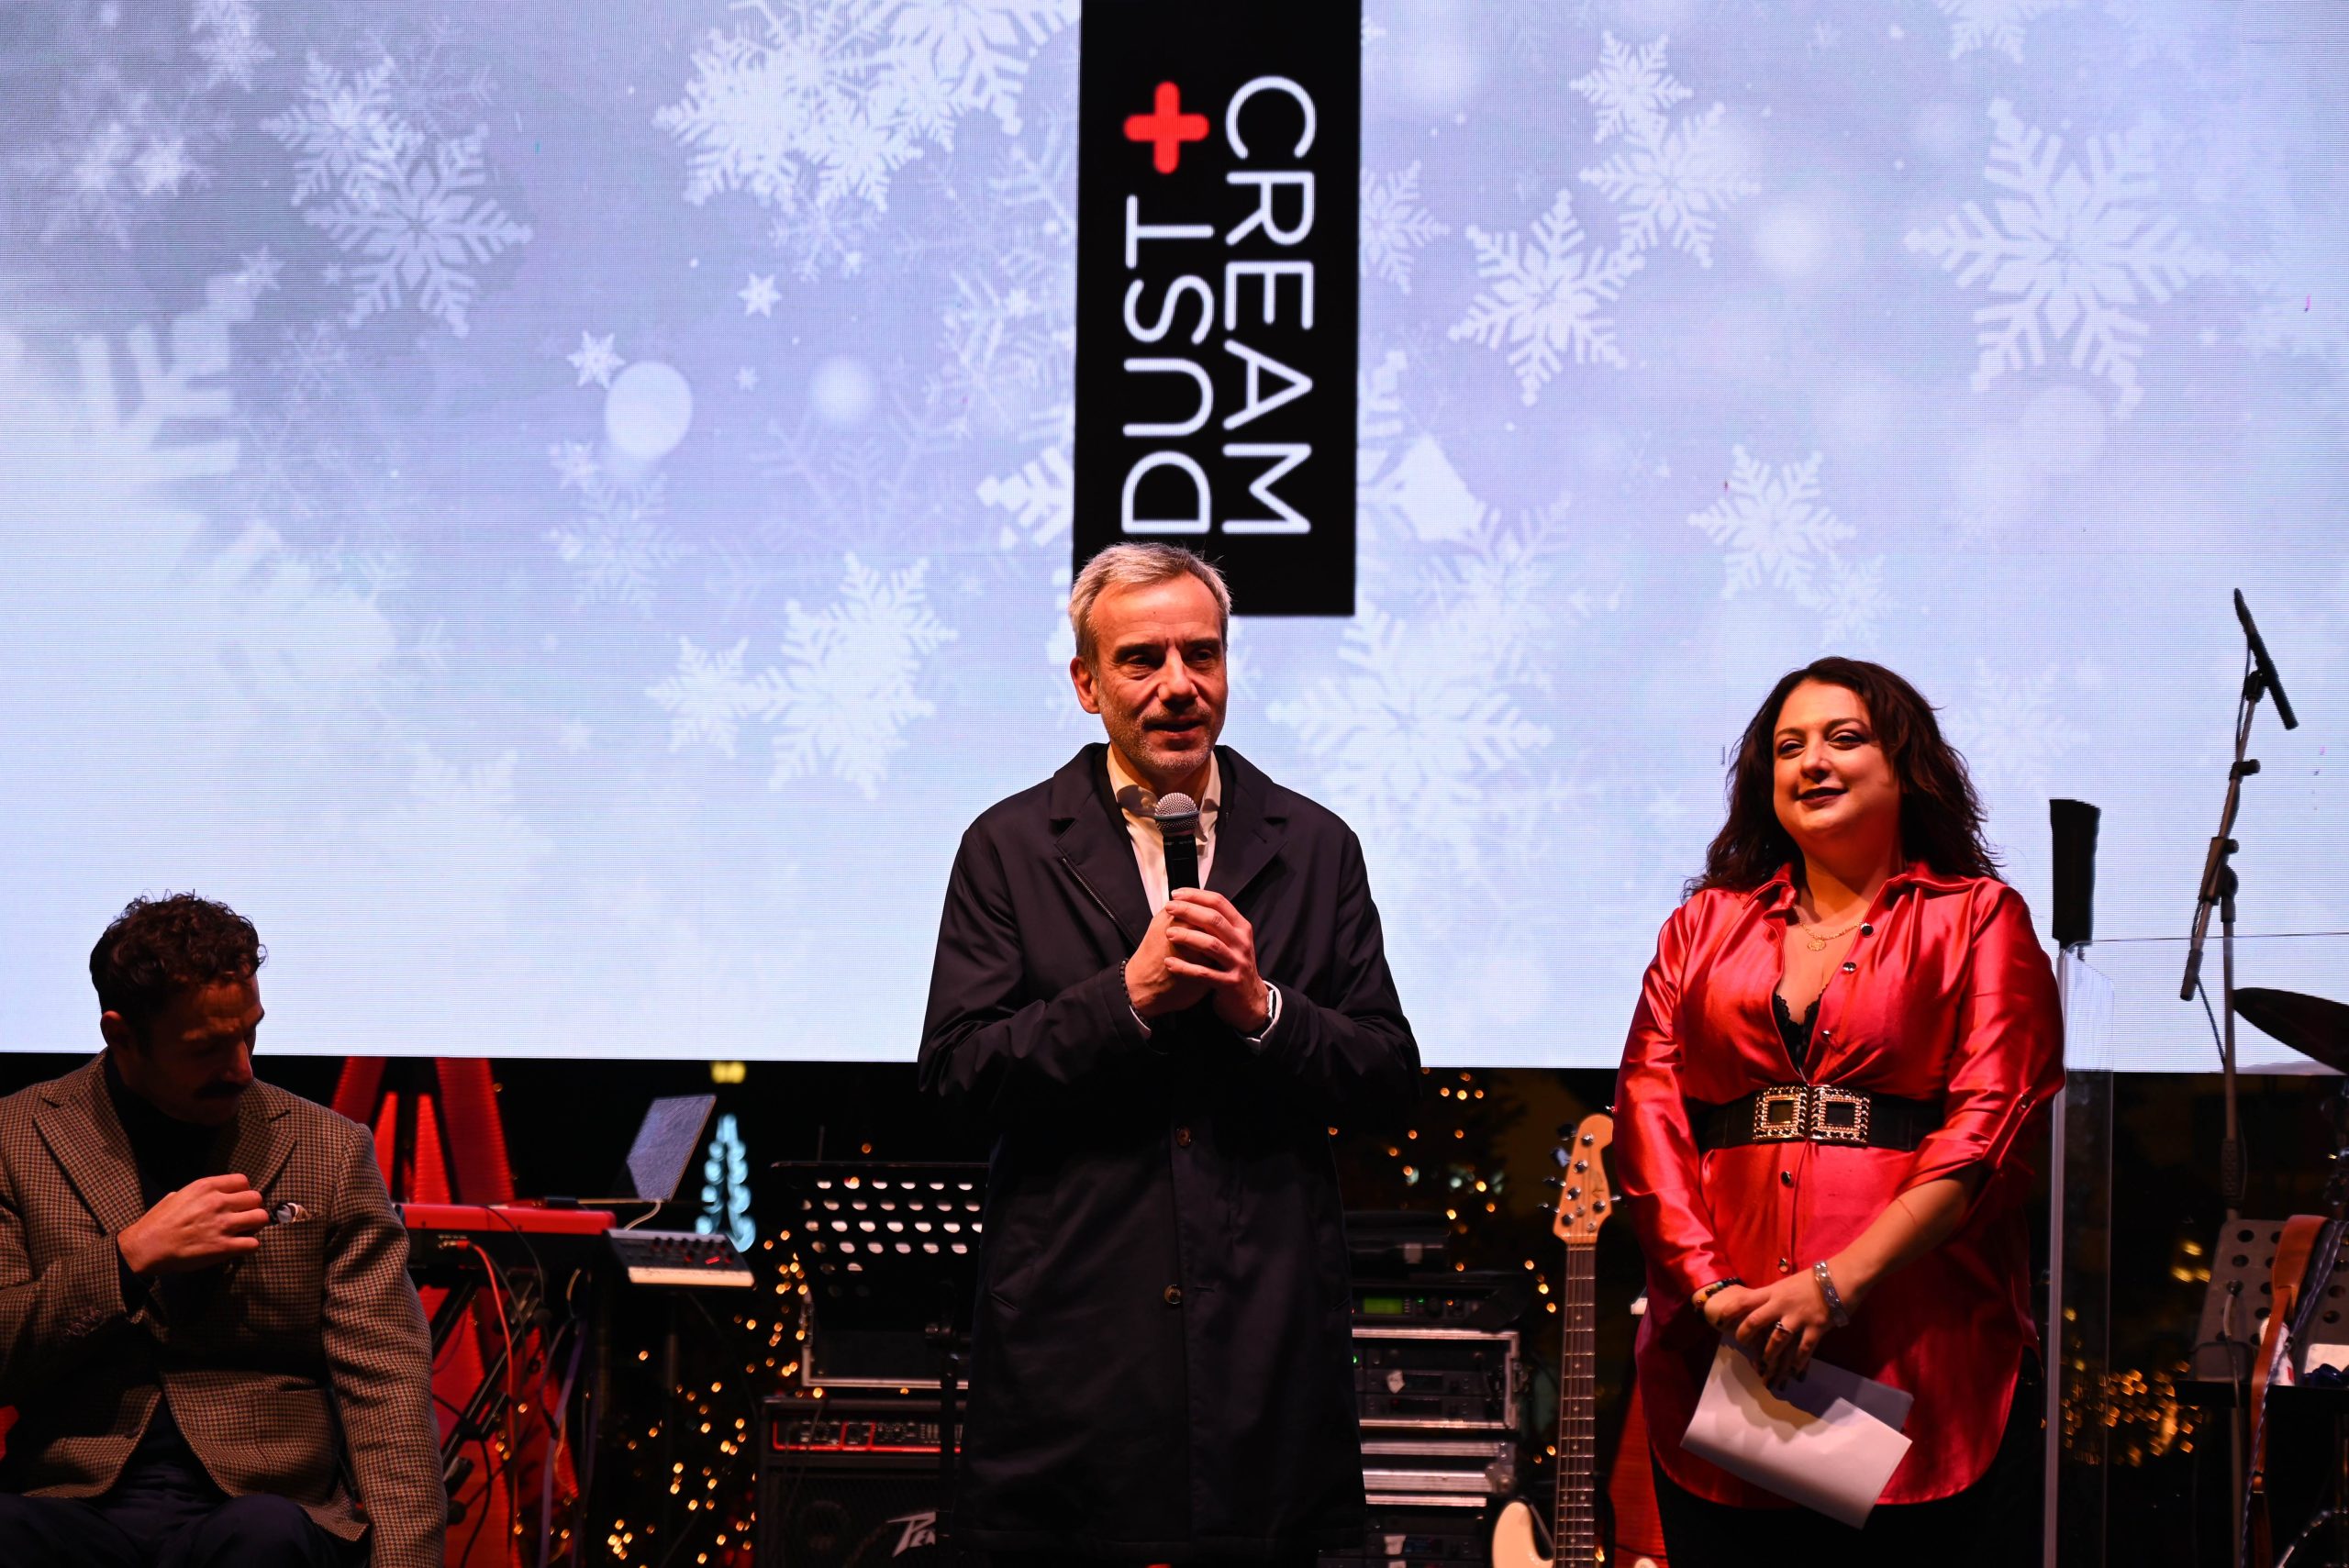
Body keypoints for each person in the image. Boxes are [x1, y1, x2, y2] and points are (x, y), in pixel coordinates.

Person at [918, 543, 1419, 1564]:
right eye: (1142, 659)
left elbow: (1385, 1077)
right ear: (1086, 683)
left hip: (1268, 1359)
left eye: (1203, 653)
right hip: (1075, 1359)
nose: (1179, 685)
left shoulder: (1314, 844)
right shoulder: (1009, 846)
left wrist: (1263, 1008)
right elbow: (958, 1077)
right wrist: (1125, 999)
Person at [1613, 658, 2063, 1567]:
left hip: (1919, 1354)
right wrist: (1713, 1291)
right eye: (1789, 747)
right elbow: (1647, 1115)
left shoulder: (1979, 918)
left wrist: (1833, 1284)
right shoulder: (1700, 928)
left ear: (1905, 767)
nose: (1812, 760)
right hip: (1722, 1352)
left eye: (1843, 737)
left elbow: (1990, 1124)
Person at [0, 895, 444, 1568]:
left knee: (263, 1533)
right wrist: (127, 1259)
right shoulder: (17, 1137)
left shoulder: (327, 1149)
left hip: (261, 1501)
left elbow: (387, 1386)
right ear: (122, 1035)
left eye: (250, 1033)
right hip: (72, 1501)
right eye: (207, 1047)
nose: (241, 1068)